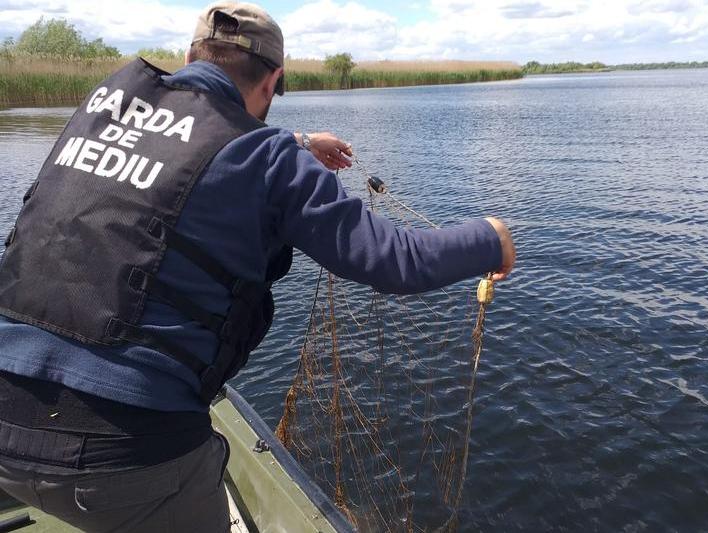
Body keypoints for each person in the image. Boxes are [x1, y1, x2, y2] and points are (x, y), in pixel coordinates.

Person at [0, 2, 516, 532]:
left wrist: (300, 142)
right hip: (127, 451)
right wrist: (489, 238)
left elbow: (190, 144)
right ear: (273, 81)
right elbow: (395, 262)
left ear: (187, 58)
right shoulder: (270, 159)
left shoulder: (103, 109)